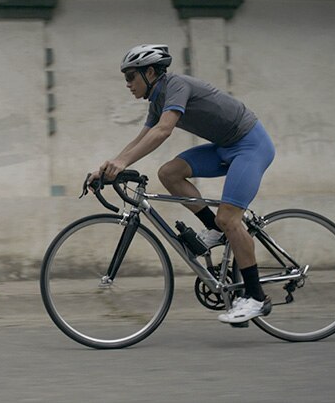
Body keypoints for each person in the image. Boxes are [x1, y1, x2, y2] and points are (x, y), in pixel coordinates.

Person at [89, 44, 276, 324]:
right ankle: (214, 228)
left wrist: (123, 163)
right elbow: (143, 137)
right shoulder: (157, 100)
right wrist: (110, 165)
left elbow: (164, 130)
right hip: (225, 147)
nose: (127, 84)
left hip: (251, 145)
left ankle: (256, 298)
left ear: (150, 72)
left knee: (231, 218)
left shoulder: (175, 85)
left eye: (131, 76)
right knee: (169, 173)